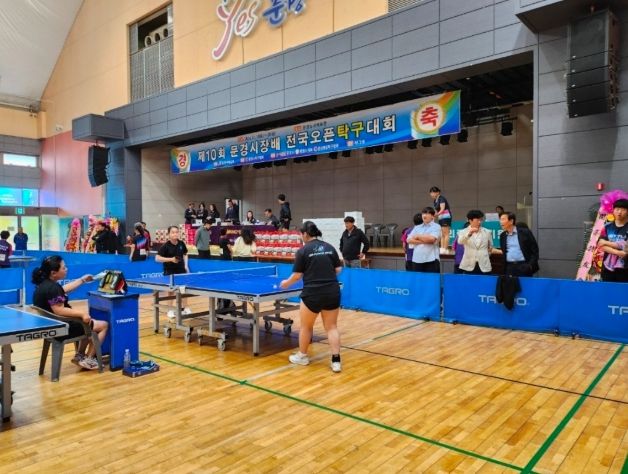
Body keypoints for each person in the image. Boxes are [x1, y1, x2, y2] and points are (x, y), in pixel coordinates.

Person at [280, 221, 343, 373]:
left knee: (306, 327)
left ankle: (302, 356)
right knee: (332, 327)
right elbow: (338, 269)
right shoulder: (329, 247)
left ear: (305, 234)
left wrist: (286, 283)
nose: (301, 237)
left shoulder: (303, 251)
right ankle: (336, 362)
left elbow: (297, 275)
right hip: (332, 291)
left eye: (301, 234)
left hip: (312, 293)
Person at [32, 255, 108, 370]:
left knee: (88, 322)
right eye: (63, 268)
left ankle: (80, 356)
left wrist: (82, 280)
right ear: (53, 273)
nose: (66, 269)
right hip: (63, 328)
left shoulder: (44, 285)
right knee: (103, 325)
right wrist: (82, 314)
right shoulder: (53, 288)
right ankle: (88, 359)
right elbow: (59, 310)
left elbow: (63, 290)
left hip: (51, 325)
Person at [156, 226, 191, 318]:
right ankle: (170, 310)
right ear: (169, 234)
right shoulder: (165, 246)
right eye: (173, 232)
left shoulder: (181, 243)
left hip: (181, 270)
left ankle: (186, 308)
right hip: (169, 271)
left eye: (176, 232)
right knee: (171, 291)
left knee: (183, 289)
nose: (175, 234)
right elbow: (157, 258)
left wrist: (186, 265)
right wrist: (171, 259)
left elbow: (185, 254)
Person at [499, 212, 539, 277]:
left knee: (525, 283)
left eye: (503, 219)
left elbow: (535, 251)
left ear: (511, 221)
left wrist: (530, 265)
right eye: (500, 219)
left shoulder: (525, 232)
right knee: (510, 283)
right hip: (509, 267)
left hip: (523, 265)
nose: (500, 222)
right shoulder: (502, 235)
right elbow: (504, 252)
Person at [597, 198, 628, 283]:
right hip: (607, 268)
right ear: (613, 210)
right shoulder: (607, 227)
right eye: (617, 209)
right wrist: (618, 252)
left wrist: (606, 242)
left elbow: (626, 247)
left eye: (623, 209)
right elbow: (601, 245)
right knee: (607, 289)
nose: (619, 212)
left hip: (625, 268)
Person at [457, 210, 493, 275]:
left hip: (484, 265)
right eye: (477, 220)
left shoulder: (487, 232)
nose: (480, 222)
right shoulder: (463, 232)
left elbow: (490, 247)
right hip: (468, 265)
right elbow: (460, 242)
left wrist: (485, 255)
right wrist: (469, 234)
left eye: (481, 220)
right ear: (470, 220)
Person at [406, 207, 441, 273]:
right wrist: (425, 240)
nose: (424, 215)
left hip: (431, 260)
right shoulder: (417, 227)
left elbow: (432, 239)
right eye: (423, 213)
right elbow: (408, 240)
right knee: (418, 279)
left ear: (432, 216)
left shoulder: (436, 226)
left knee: (431, 279)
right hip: (417, 259)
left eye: (427, 213)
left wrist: (418, 236)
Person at [429, 186, 452, 251]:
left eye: (433, 192)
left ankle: (445, 249)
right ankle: (442, 248)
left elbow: (442, 209)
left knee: (446, 233)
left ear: (438, 192)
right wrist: (433, 216)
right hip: (440, 217)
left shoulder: (441, 198)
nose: (432, 194)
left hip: (446, 216)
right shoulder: (435, 200)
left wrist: (436, 215)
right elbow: (436, 211)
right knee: (442, 234)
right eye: (431, 193)